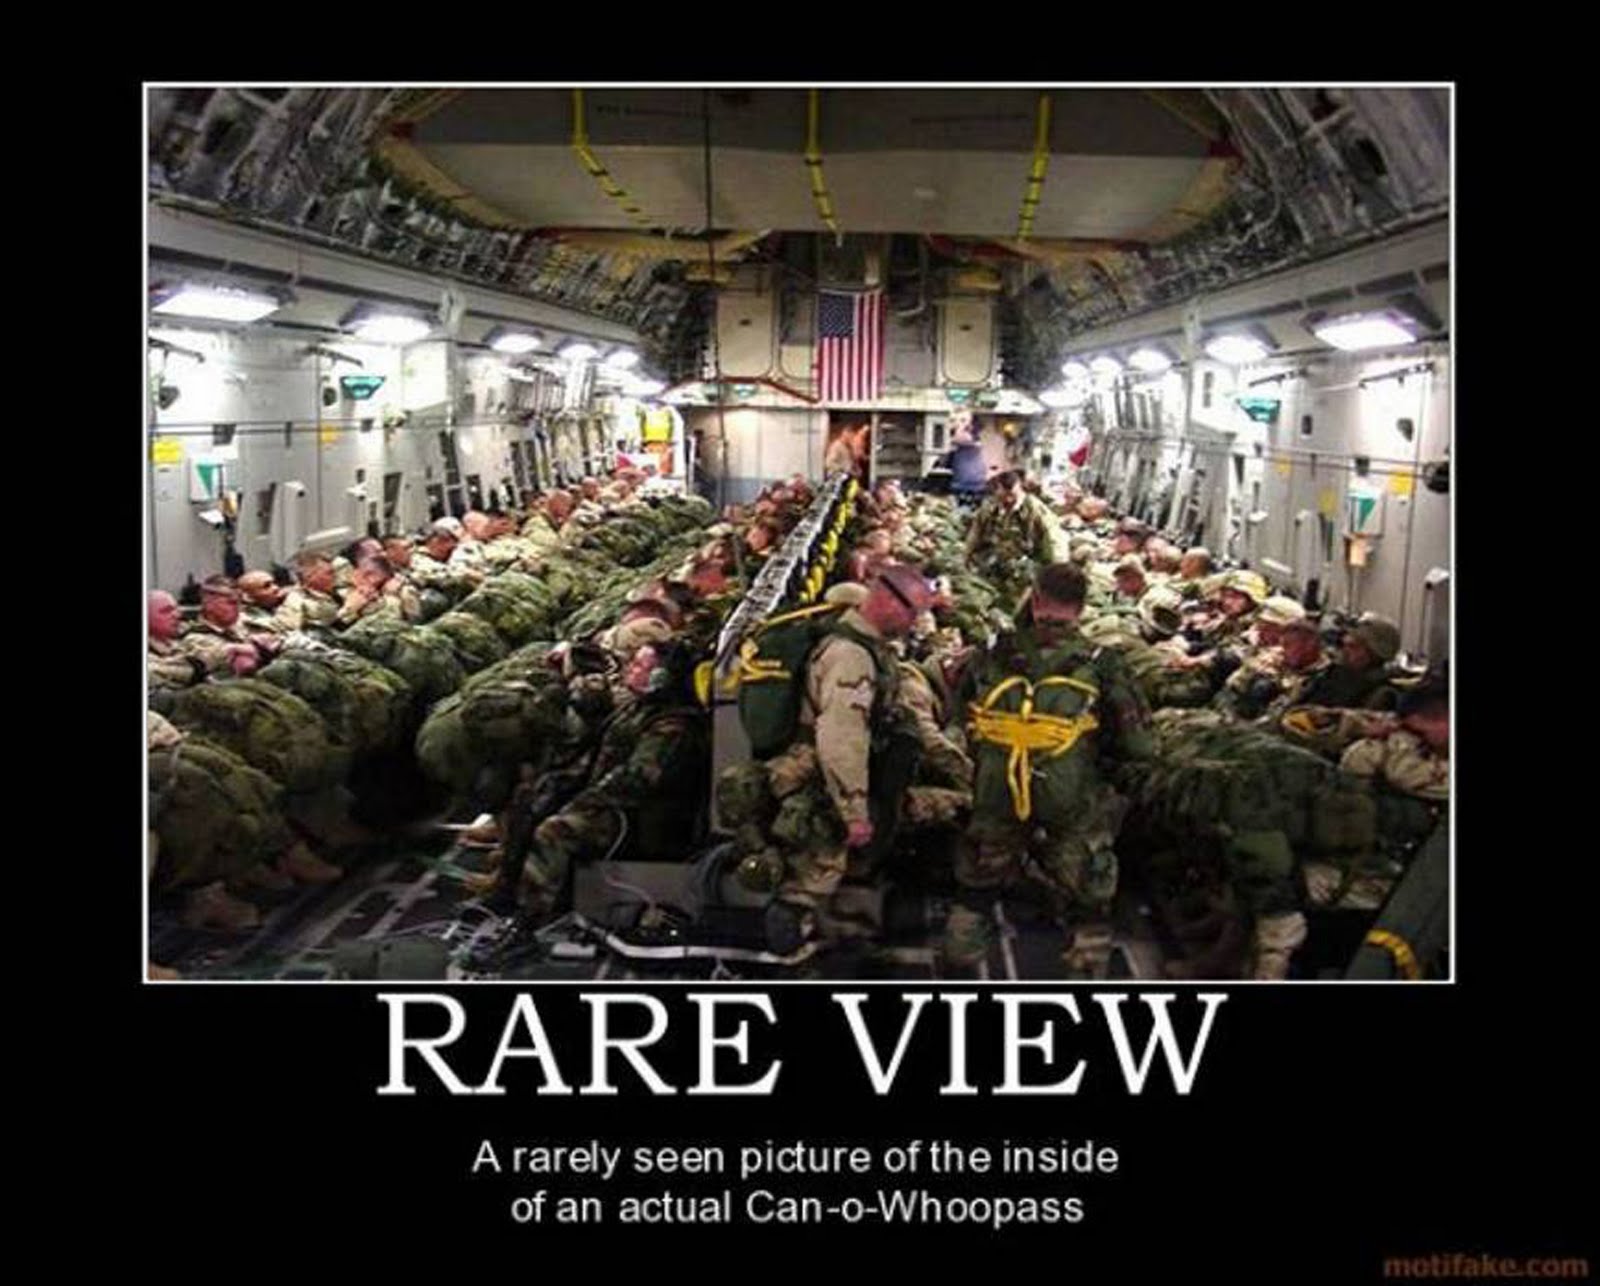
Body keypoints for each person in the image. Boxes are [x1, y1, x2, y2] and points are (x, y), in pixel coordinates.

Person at [944, 563, 1154, 978]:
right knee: (1088, 889)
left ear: (1035, 599)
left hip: (998, 789)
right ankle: (1086, 970)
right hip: (1070, 794)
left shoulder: (990, 651)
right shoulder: (1102, 662)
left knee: (977, 885)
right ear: (1082, 607)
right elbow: (1139, 744)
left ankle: (958, 961)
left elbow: (959, 713)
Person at [761, 566, 942, 952]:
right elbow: (842, 738)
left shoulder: (863, 643)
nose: (914, 624)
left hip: (839, 766)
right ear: (890, 601)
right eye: (913, 613)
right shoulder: (851, 657)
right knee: (819, 864)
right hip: (823, 773)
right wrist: (854, 812)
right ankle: (792, 926)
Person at [496, 638, 710, 919]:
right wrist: (559, 784)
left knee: (554, 832)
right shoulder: (636, 709)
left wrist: (584, 800)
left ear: (661, 677)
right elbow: (595, 758)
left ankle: (532, 915)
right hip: (606, 801)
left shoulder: (673, 726)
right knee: (530, 801)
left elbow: (636, 780)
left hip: (638, 817)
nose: (630, 669)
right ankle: (504, 892)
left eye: (640, 665)